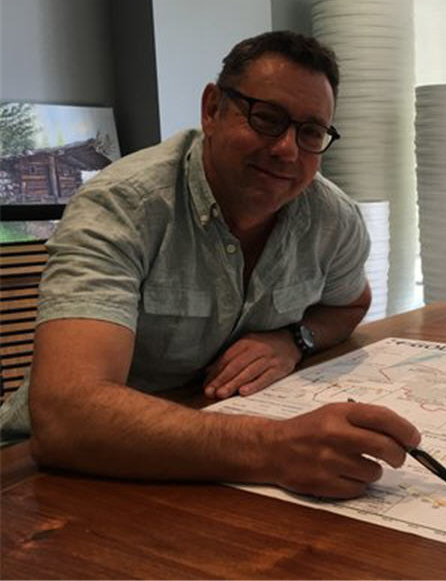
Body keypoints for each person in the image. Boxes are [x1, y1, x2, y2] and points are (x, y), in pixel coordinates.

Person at [0, 31, 420, 498]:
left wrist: (295, 340)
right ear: (212, 109)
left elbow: (349, 305)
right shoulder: (121, 208)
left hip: (214, 442)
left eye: (311, 133)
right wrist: (274, 449)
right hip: (54, 471)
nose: (287, 149)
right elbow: (66, 417)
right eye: (266, 118)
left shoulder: (331, 218)